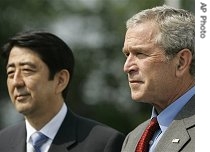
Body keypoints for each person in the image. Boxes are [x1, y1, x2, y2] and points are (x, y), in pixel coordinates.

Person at [0, 30, 125, 152]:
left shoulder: (103, 143)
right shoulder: (3, 142)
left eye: (27, 70)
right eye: (10, 73)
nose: (16, 82)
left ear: (60, 80)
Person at [121, 5, 194, 152]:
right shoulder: (133, 138)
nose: (127, 67)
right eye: (127, 55)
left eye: (140, 53)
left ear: (181, 62)